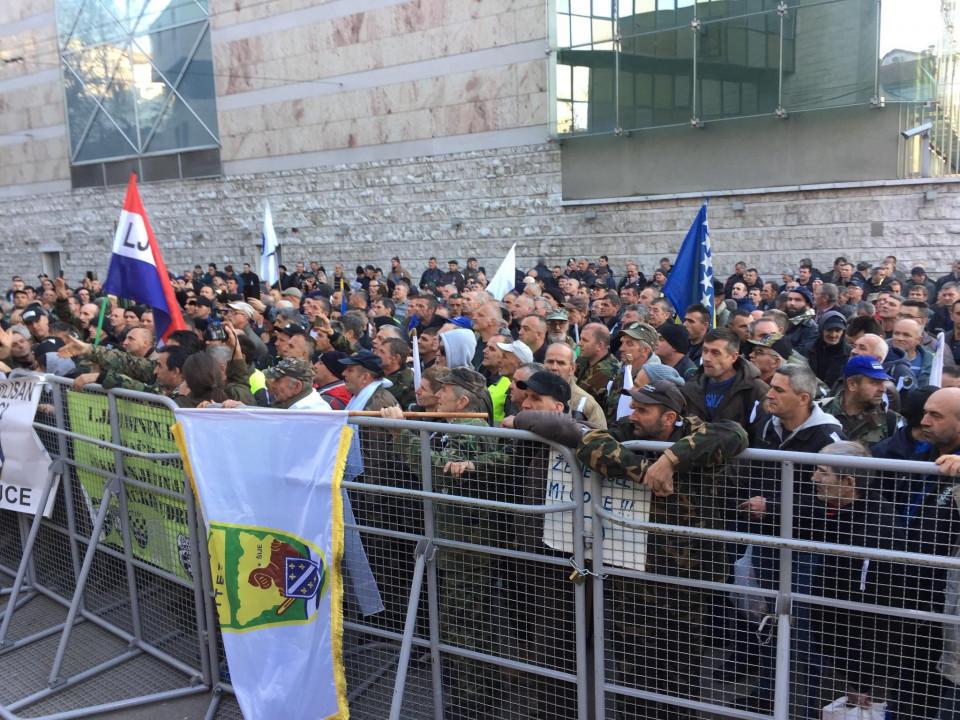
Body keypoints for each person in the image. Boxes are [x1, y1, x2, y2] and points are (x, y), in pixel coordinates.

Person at [516, 379, 749, 719]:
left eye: (643, 409)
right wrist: (643, 471)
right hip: (633, 575)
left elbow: (735, 433)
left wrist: (670, 459)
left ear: (669, 417)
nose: (634, 415)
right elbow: (593, 442)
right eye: (634, 407)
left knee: (677, 672)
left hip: (684, 580)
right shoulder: (628, 430)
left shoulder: (697, 434)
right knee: (632, 670)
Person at [681, 328, 769, 435]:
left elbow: (760, 435)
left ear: (733, 357)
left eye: (715, 353)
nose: (707, 358)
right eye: (705, 351)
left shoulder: (756, 390)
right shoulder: (691, 386)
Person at [819, 356, 903, 448]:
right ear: (852, 384)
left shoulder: (892, 421)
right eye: (874, 382)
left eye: (883, 382)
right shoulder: (819, 412)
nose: (883, 389)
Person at [575, 322, 619, 410]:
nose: (579, 344)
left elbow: (578, 396)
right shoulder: (584, 359)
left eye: (585, 340)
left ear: (599, 346)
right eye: (580, 339)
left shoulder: (607, 369)